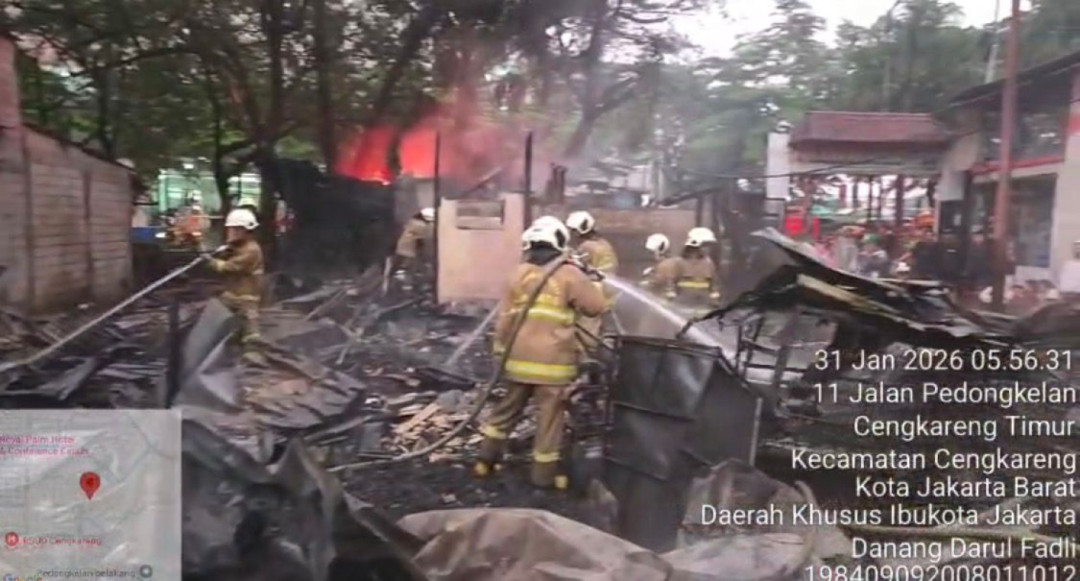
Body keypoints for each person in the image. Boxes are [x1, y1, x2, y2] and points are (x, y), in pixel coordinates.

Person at [476, 218, 608, 489]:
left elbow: (504, 320)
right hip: (553, 366)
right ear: (559, 242)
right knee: (549, 421)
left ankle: (485, 461)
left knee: (505, 411)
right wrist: (592, 282)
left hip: (517, 361)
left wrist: (499, 354)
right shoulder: (570, 274)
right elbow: (595, 307)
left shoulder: (518, 274)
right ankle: (543, 478)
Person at [206, 208, 265, 363]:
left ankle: (253, 356)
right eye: (230, 229)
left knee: (250, 328)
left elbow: (229, 267)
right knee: (224, 317)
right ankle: (230, 349)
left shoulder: (251, 250)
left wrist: (211, 261)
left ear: (244, 230)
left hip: (247, 296)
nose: (230, 232)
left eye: (234, 229)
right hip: (233, 294)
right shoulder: (240, 246)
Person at [566, 210, 618, 352]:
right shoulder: (604, 244)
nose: (572, 234)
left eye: (573, 231)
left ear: (580, 230)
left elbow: (573, 266)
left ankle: (586, 363)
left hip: (595, 294)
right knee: (602, 335)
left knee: (585, 336)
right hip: (608, 296)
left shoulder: (587, 247)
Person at [674, 227, 721, 313]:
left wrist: (715, 302)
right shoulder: (679, 262)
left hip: (704, 307)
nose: (706, 249)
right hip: (683, 307)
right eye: (704, 245)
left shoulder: (708, 263)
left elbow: (713, 285)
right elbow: (671, 282)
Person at [393, 207, 435, 289]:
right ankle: (407, 286)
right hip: (410, 250)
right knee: (410, 269)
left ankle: (401, 282)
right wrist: (423, 253)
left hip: (402, 248)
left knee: (403, 267)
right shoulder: (421, 225)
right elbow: (420, 241)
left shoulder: (412, 222)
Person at [642, 233, 679, 300]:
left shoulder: (665, 265)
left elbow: (657, 281)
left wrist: (646, 282)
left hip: (663, 302)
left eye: (652, 252)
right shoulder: (668, 263)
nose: (651, 255)